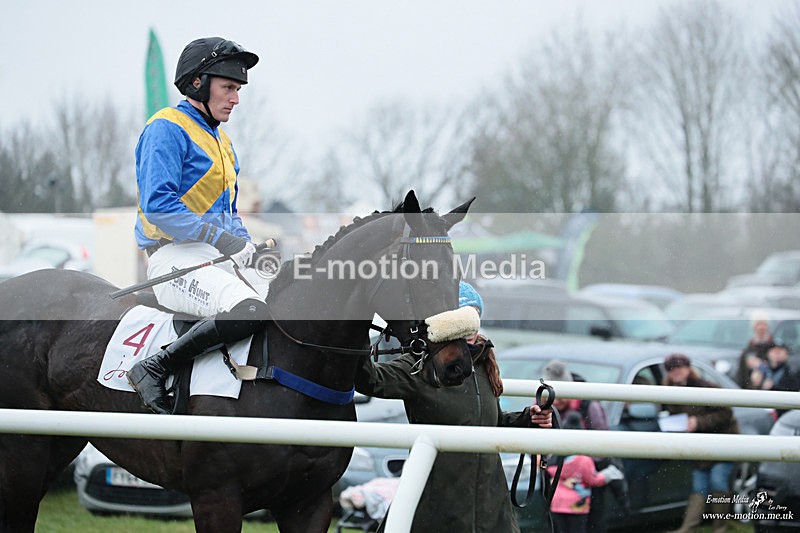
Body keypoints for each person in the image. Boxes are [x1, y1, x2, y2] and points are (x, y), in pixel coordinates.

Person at [128, 36, 268, 414]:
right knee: (249, 309)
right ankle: (154, 367)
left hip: (213, 257)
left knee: (290, 300)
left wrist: (247, 247)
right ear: (197, 84)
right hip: (172, 259)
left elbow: (229, 213)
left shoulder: (223, 142)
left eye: (238, 90)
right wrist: (222, 240)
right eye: (228, 88)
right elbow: (158, 207)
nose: (235, 99)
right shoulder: (166, 128)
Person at [353, 281, 553, 532]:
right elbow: (370, 381)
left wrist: (528, 419)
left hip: (490, 502)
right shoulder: (420, 365)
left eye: (473, 316)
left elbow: (489, 422)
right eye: (460, 317)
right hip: (436, 503)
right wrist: (357, 328)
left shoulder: (484, 362)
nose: (468, 326)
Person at [541, 360, 623, 533]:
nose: (557, 401)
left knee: (592, 525)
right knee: (554, 526)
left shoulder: (590, 405)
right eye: (552, 396)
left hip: (586, 478)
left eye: (561, 395)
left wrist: (576, 465)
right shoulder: (540, 405)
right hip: (554, 476)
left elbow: (602, 444)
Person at [662, 353, 739, 533]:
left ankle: (720, 527)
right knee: (699, 486)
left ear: (688, 369)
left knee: (718, 481)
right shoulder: (668, 391)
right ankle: (688, 528)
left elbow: (726, 413)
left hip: (722, 443)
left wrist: (698, 422)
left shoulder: (707, 388)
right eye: (672, 369)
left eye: (679, 368)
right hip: (698, 447)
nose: (676, 372)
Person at [547, 411, 625, 533]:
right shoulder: (584, 460)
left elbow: (549, 469)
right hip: (578, 506)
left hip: (557, 504)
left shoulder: (556, 457)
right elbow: (593, 480)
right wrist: (608, 474)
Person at [751, 341, 800, 415]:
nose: (777, 354)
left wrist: (773, 387)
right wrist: (756, 383)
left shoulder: (792, 371)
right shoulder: (762, 370)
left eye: (780, 351)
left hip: (783, 413)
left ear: (786, 354)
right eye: (774, 351)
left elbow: (792, 391)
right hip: (763, 412)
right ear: (768, 353)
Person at [735, 311, 774, 389]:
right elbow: (741, 374)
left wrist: (761, 366)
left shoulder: (774, 347)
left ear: (767, 327)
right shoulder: (748, 350)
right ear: (754, 327)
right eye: (758, 324)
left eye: (764, 324)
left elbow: (781, 371)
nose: (761, 328)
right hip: (751, 390)